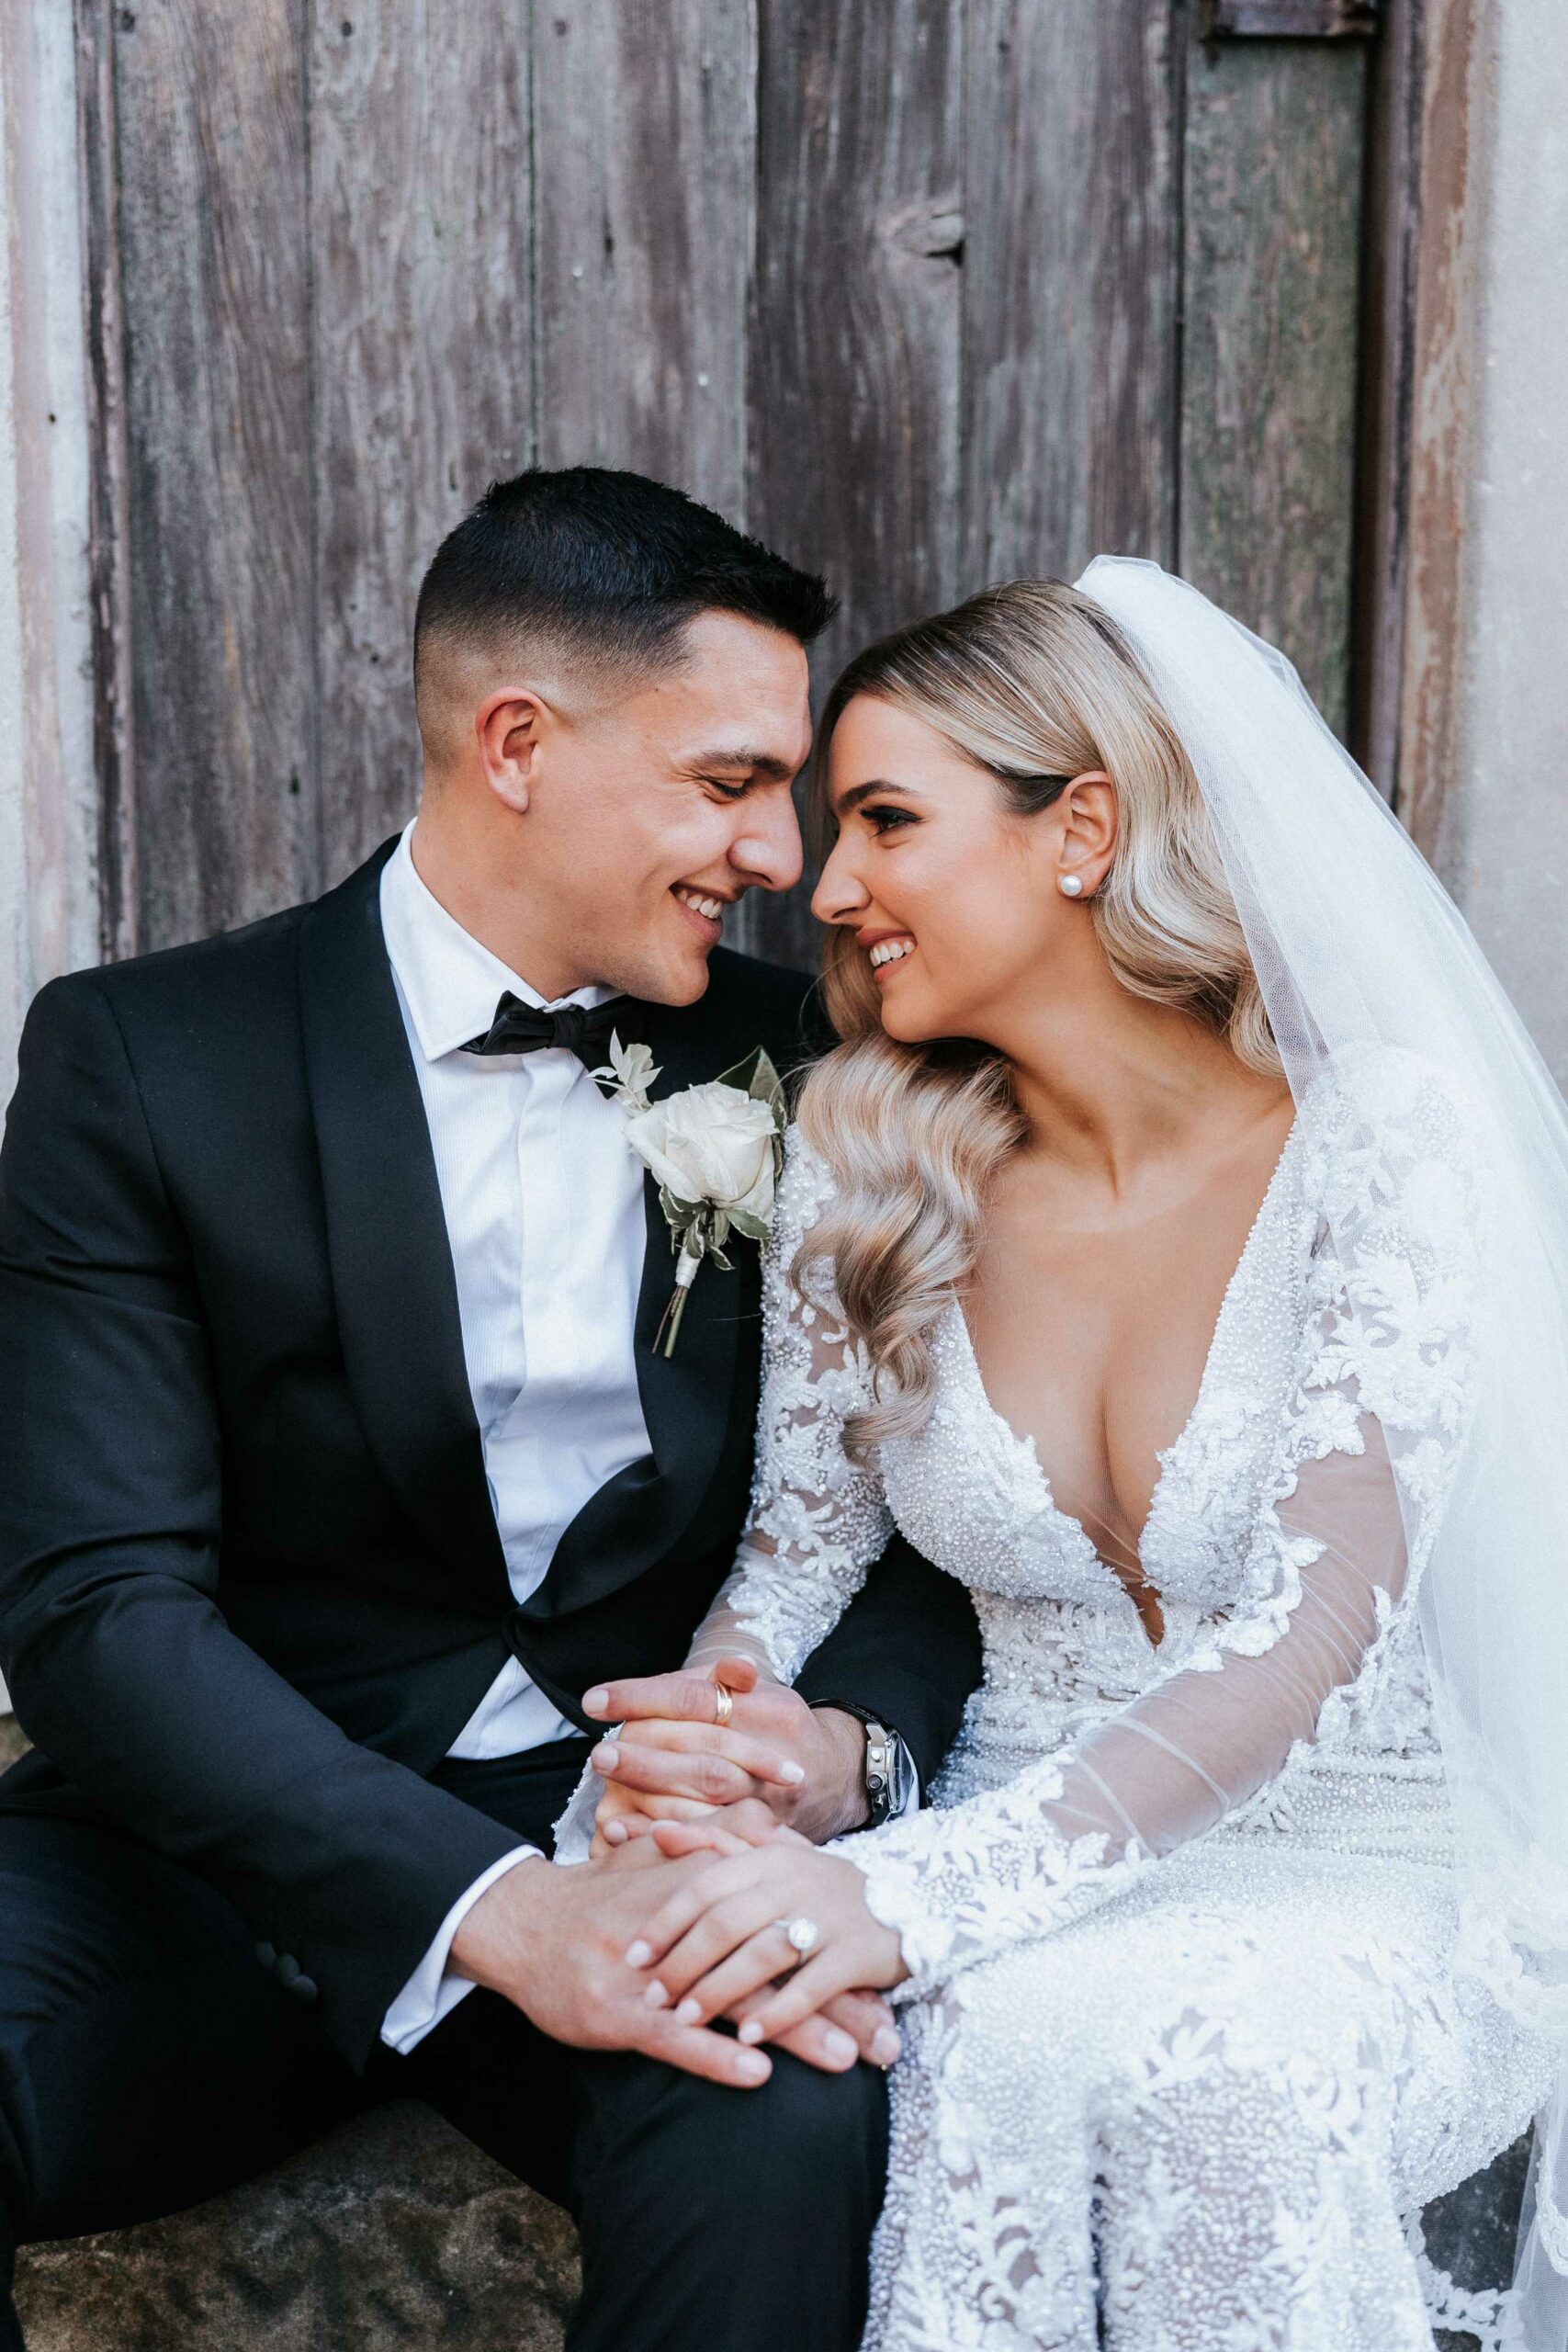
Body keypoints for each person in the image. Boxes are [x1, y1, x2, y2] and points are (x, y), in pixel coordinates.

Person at [0, 468, 982, 2352]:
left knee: (791, 2117)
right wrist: (486, 1905)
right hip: (203, 1852)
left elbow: (936, 1507)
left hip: (647, 1840)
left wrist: (842, 1739)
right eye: (723, 781)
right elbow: (93, 1608)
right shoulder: (141, 1058)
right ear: (514, 741)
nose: (776, 851)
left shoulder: (801, 1065)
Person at [587, 565, 1568, 2350]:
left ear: (1081, 827)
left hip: (1368, 1861)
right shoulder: (871, 1157)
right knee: (990, 2023)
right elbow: (789, 1572)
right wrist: (699, 1756)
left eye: (884, 819)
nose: (829, 887)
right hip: (1006, 1844)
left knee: (1217, 2056)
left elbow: (1308, 1626)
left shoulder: (1377, 1143)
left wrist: (894, 1886)